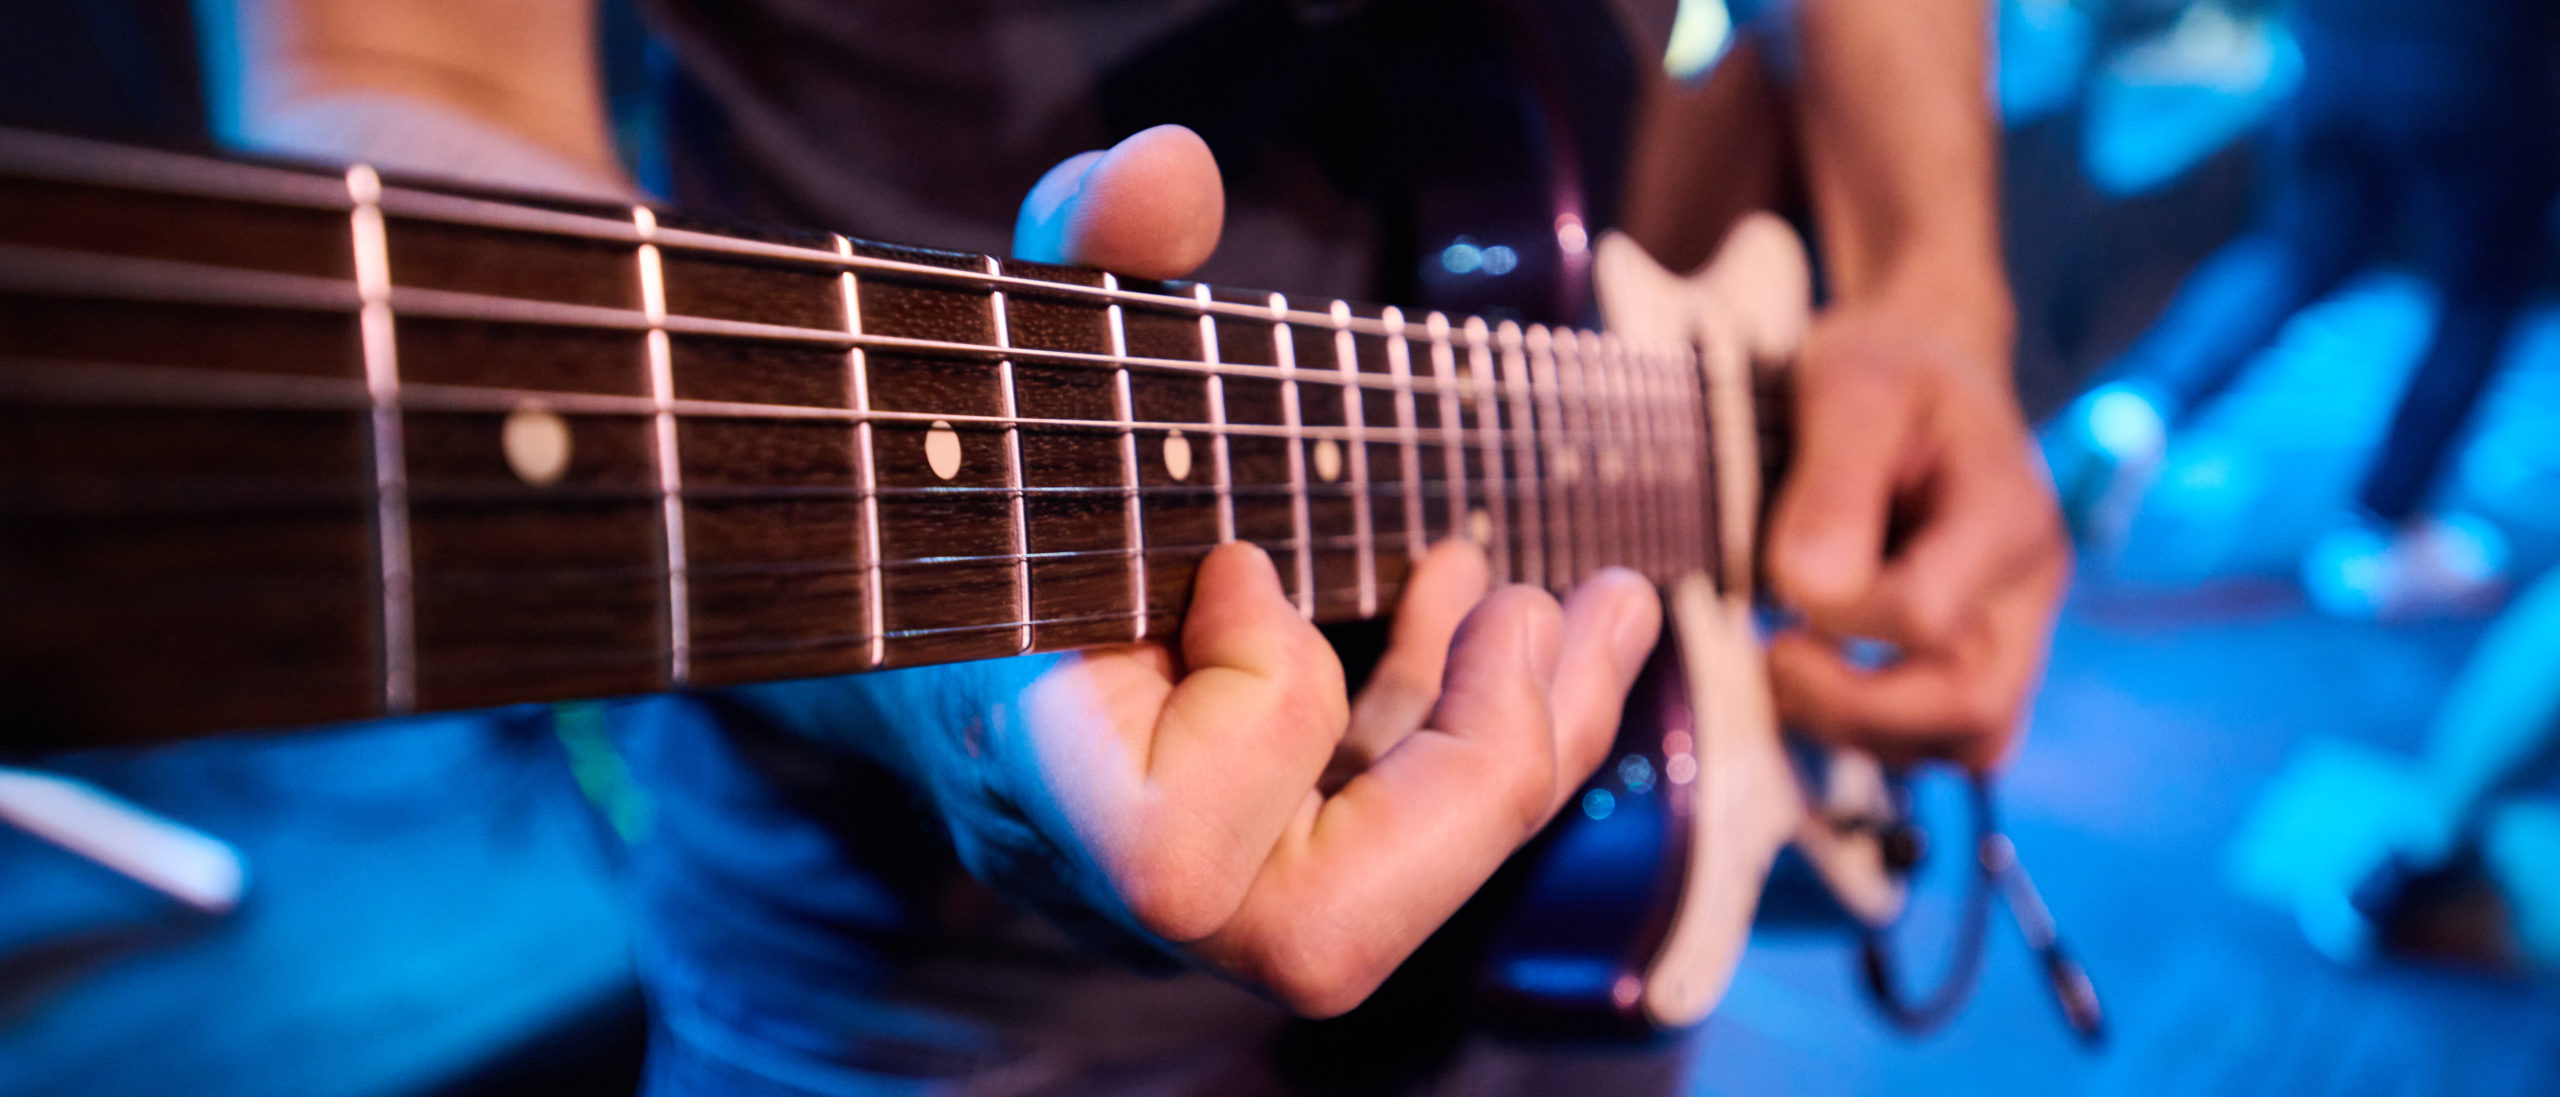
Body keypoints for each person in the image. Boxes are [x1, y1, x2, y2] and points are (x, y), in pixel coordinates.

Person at [200, 0, 2066, 1091]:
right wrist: (931, 654)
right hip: (934, 960)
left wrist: (1935, 289)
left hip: (1598, 788)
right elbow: (403, 57)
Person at [2045, 0, 2559, 617]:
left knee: (2298, 251)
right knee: (2479, 294)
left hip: (2336, 48)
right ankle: (2378, 533)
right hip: (2477, 65)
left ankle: (2135, 412)